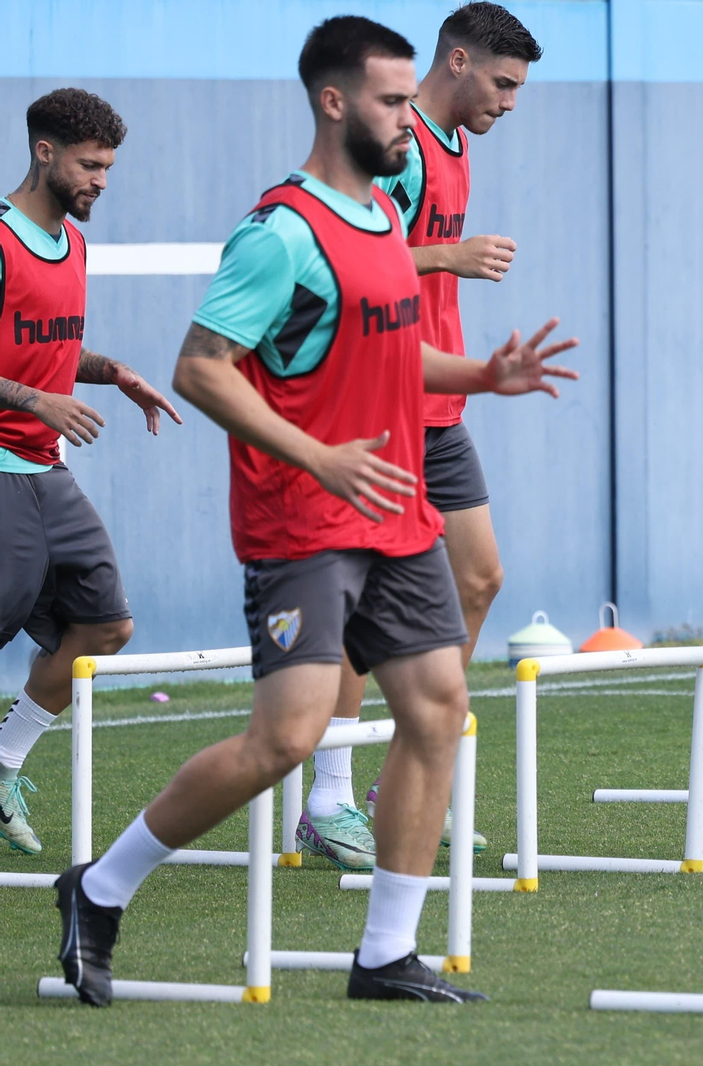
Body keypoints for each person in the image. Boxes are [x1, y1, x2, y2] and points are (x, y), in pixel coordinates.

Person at [53, 15, 577, 1006]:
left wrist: (484, 373)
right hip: (301, 517)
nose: (404, 117)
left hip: (396, 511)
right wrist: (315, 456)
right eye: (389, 101)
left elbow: (384, 351)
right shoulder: (279, 232)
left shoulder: (383, 220)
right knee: (286, 738)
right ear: (335, 103)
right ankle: (101, 886)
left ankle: (385, 953)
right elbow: (201, 368)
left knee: (436, 708)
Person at [300, 1, 543, 871]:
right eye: (503, 84)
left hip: (436, 405)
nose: (509, 103)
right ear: (456, 59)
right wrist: (448, 255)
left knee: (479, 576)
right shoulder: (396, 151)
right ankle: (327, 797)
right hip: (377, 402)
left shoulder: (459, 148)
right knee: (365, 608)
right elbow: (351, 261)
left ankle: (401, 775)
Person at [0, 89, 181, 857]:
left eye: (108, 166)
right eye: (90, 164)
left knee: (107, 622)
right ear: (45, 153)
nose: (102, 180)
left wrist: (112, 371)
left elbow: (49, 346)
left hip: (47, 472)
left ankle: (2, 765)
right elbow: (30, 376)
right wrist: (36, 396)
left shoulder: (72, 244)